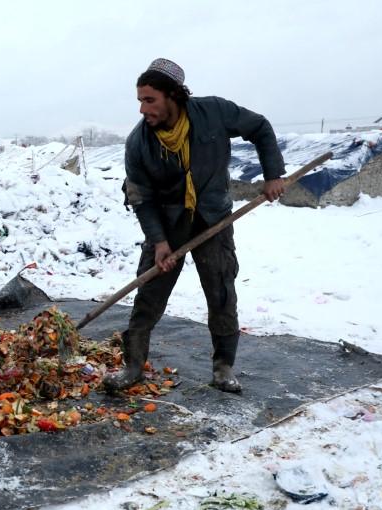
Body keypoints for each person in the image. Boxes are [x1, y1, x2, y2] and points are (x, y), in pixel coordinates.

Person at [103, 58, 286, 394]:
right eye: (140, 101)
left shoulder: (214, 112)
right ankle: (132, 366)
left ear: (173, 95)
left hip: (213, 220)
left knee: (221, 293)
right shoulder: (139, 143)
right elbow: (140, 198)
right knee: (148, 297)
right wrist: (158, 243)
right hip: (167, 226)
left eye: (150, 100)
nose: (143, 109)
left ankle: (223, 368)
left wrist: (273, 174)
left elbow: (259, 127)